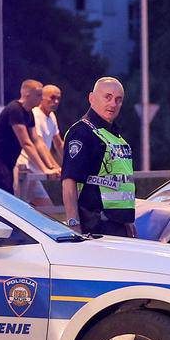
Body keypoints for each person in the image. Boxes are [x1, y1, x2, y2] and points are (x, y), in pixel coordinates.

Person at [61, 76, 137, 237]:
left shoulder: (114, 135)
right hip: (96, 225)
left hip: (117, 223)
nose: (113, 104)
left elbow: (121, 183)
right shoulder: (82, 132)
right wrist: (73, 225)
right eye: (107, 97)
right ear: (91, 98)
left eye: (118, 100)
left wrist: (127, 222)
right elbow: (69, 181)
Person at [0, 80, 44, 194]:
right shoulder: (15, 109)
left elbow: (36, 140)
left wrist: (51, 166)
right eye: (39, 95)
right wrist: (43, 169)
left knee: (8, 194)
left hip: (8, 162)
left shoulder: (29, 113)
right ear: (27, 94)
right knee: (3, 196)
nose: (42, 98)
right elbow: (26, 143)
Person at [17, 84, 64, 205]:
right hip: (25, 169)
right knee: (17, 208)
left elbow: (58, 144)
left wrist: (70, 166)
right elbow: (39, 144)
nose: (56, 101)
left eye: (58, 98)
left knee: (48, 210)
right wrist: (53, 166)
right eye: (52, 98)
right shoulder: (35, 114)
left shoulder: (52, 116)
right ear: (42, 98)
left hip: (36, 171)